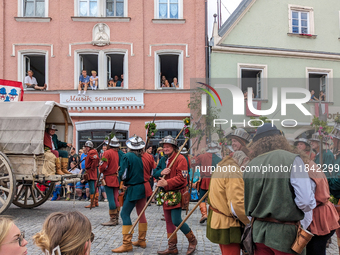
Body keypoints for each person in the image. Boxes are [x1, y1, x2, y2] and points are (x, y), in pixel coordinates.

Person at [244, 123, 316, 254]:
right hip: (284, 233)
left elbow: (246, 201)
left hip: (258, 232)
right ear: (279, 139)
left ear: (257, 144)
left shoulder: (251, 164)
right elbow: (305, 201)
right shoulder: (292, 159)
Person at [153, 135, 197, 255]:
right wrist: (161, 172)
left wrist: (167, 182)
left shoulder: (180, 159)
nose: (165, 149)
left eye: (168, 147)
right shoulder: (163, 160)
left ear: (173, 147)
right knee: (168, 220)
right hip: (165, 193)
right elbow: (155, 172)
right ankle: (172, 248)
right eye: (164, 147)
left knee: (176, 220)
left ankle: (192, 240)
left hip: (177, 193)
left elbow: (182, 179)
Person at [295, 142, 340, 255]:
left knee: (315, 250)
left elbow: (306, 201)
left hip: (319, 216)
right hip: (322, 212)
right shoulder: (308, 164)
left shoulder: (305, 168)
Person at [112, 135, 153, 253]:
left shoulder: (127, 156)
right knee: (141, 214)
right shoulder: (146, 156)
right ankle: (141, 240)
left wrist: (121, 177)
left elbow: (124, 174)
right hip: (144, 186)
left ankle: (127, 243)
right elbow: (150, 172)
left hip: (134, 188)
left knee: (124, 214)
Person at [206, 151, 250, 255]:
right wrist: (249, 222)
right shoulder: (233, 171)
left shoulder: (222, 167)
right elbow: (237, 204)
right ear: (244, 160)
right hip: (228, 224)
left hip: (219, 219)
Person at [192, 142, 222, 224]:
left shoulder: (202, 156)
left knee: (201, 198)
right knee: (214, 200)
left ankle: (204, 214)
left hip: (205, 181)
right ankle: (213, 216)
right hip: (214, 181)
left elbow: (193, 162)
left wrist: (195, 155)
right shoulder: (219, 159)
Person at [99, 137, 122, 226]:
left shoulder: (107, 153)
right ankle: (116, 217)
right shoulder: (117, 153)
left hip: (108, 177)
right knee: (116, 197)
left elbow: (103, 166)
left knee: (111, 198)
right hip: (115, 177)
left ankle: (113, 219)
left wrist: (100, 169)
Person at [83, 141, 100, 209]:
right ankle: (96, 202)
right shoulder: (91, 152)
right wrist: (87, 158)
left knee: (92, 187)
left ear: (90, 147)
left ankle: (92, 203)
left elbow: (95, 160)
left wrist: (92, 167)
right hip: (93, 170)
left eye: (87, 147)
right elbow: (92, 159)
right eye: (86, 147)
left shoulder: (92, 152)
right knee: (94, 186)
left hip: (91, 171)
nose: (86, 148)